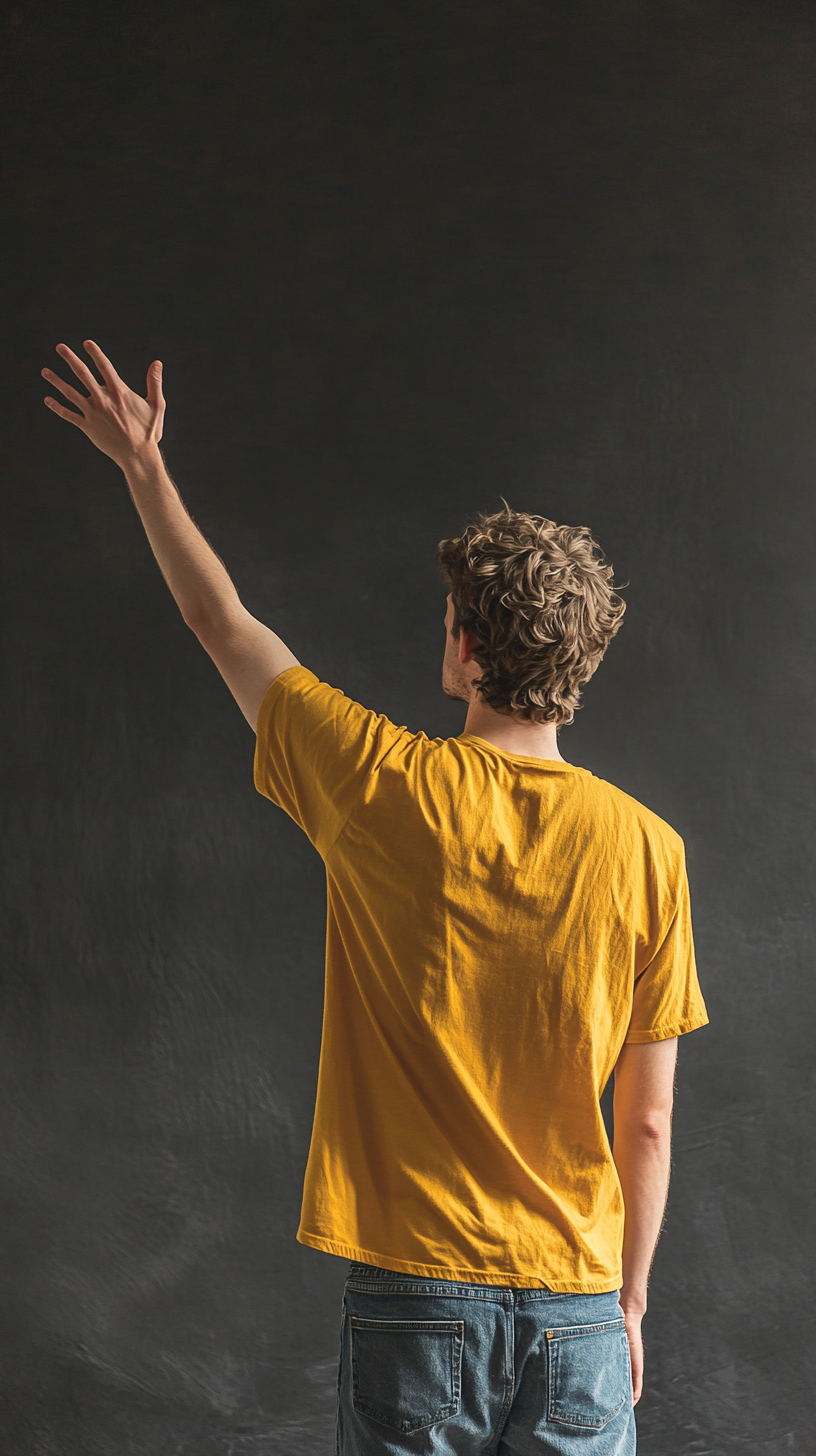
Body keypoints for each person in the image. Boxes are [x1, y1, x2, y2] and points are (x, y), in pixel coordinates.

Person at [43, 342, 708, 1456]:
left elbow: (225, 625)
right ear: (579, 661)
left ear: (462, 643)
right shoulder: (651, 850)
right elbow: (647, 1118)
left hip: (416, 1294)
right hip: (582, 1306)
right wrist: (628, 1304)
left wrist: (145, 472)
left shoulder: (382, 788)